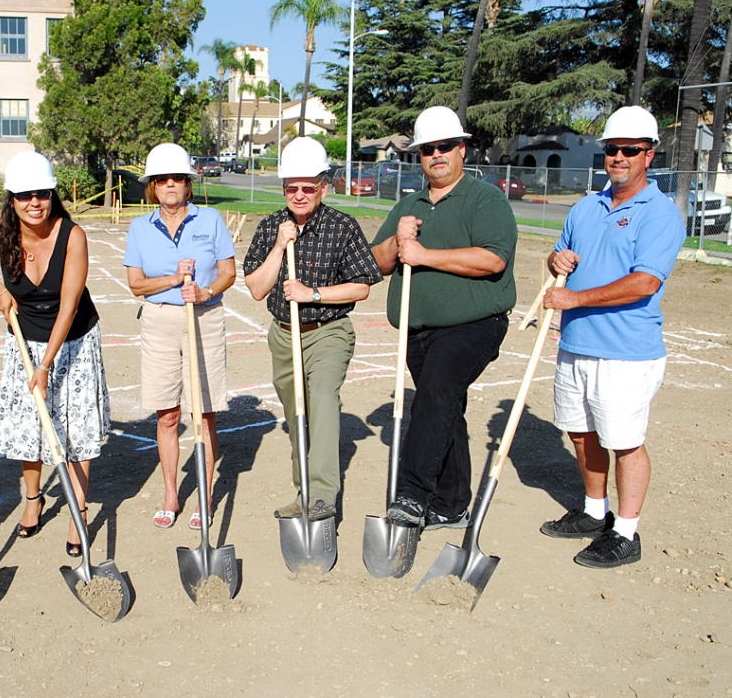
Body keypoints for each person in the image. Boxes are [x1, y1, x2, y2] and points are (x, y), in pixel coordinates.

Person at [539, 106, 685, 569]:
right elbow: (562, 255)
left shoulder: (660, 214)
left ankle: (625, 532)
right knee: (581, 435)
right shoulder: (587, 206)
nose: (618, 157)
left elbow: (645, 282)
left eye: (629, 150)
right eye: (612, 149)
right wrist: (556, 262)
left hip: (625, 352)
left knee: (624, 441)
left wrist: (576, 302)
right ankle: (594, 511)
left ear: (649, 155)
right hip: (576, 344)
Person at [371, 106, 517, 533]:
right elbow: (377, 263)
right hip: (418, 331)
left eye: (445, 146)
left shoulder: (484, 198)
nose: (437, 155)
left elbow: (492, 259)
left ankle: (413, 495)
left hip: (474, 325)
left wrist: (423, 255)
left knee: (435, 393)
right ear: (418, 156)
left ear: (461, 148)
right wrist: (398, 241)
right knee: (445, 408)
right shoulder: (408, 204)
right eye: (428, 149)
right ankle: (452, 506)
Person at [0, 151, 110, 557]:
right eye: (24, 195)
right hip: (25, 342)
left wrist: (47, 365)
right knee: (32, 427)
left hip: (75, 341)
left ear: (52, 195)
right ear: (11, 200)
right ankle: (33, 500)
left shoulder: (72, 235)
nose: (34, 203)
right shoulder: (1, 239)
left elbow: (69, 304)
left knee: (75, 429)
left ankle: (77, 511)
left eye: (42, 193)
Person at [244, 137, 382, 520]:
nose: (300, 195)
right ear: (283, 187)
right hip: (284, 334)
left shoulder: (342, 226)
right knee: (295, 415)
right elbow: (257, 289)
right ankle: (303, 490)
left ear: (324, 185)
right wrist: (279, 246)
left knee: (321, 402)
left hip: (328, 331)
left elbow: (363, 286)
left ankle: (322, 497)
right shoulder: (271, 225)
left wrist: (313, 293)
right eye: (292, 187)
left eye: (309, 187)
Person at [123, 143, 236, 530]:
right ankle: (171, 494)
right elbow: (136, 285)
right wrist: (173, 278)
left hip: (203, 318)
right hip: (159, 321)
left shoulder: (211, 220)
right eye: (162, 179)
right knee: (168, 414)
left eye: (178, 178)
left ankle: (203, 497)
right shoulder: (140, 227)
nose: (170, 185)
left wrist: (205, 291)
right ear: (152, 186)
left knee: (203, 414)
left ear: (188, 183)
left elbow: (228, 273)